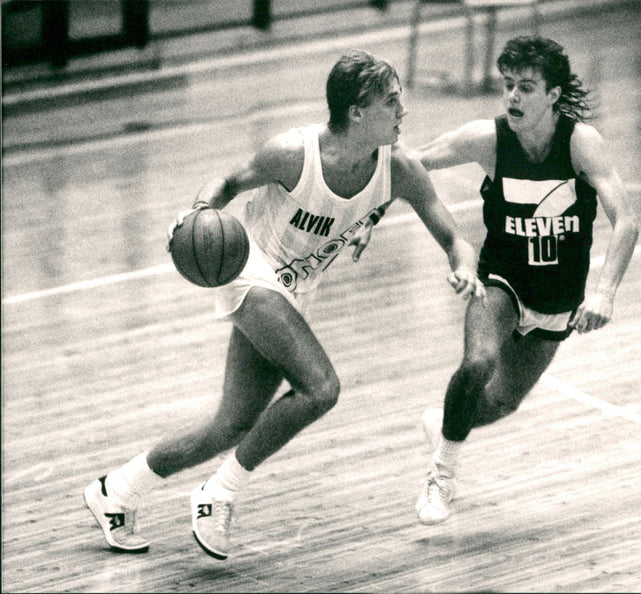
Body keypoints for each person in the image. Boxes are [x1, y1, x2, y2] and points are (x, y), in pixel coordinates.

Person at [83, 50, 485, 560]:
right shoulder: (293, 152)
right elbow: (227, 183)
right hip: (248, 270)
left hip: (295, 290)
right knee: (321, 388)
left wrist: (463, 265)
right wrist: (196, 217)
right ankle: (217, 494)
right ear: (357, 111)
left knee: (231, 424)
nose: (403, 110)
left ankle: (114, 491)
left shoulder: (399, 169)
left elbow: (453, 235)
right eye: (392, 101)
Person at [410, 36, 639, 525]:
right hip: (500, 281)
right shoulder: (489, 139)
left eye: (526, 87)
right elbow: (409, 165)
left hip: (558, 299)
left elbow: (627, 221)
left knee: (498, 403)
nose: (512, 96)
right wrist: (362, 217)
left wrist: (605, 292)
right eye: (508, 85)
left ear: (553, 95)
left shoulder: (580, 143)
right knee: (478, 363)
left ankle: (443, 424)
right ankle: (440, 479)